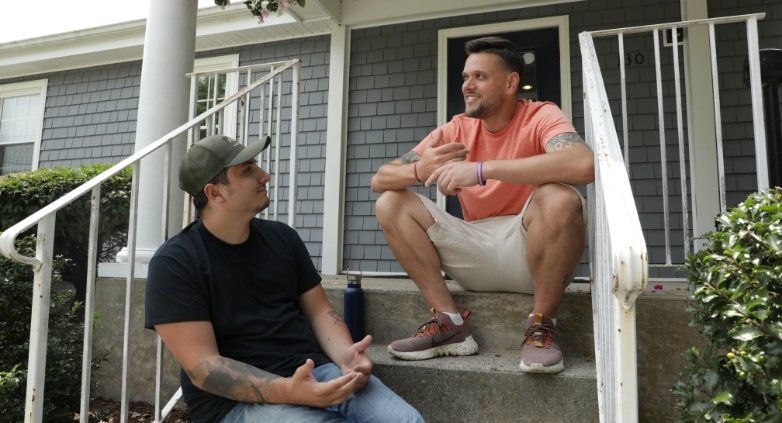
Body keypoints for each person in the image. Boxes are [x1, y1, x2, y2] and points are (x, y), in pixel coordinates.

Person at [145, 134, 423, 423]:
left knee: (407, 420)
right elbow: (204, 368)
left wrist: (345, 357)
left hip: (312, 370)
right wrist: (290, 390)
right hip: (234, 404)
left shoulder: (282, 238)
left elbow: (321, 312)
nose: (265, 175)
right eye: (248, 170)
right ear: (215, 193)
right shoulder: (175, 263)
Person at [370, 36, 594, 374]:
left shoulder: (541, 115)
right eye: (464, 77)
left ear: (510, 83)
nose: (467, 86)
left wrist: (481, 170)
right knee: (391, 202)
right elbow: (380, 179)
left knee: (561, 197)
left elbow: (582, 164)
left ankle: (541, 327)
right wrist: (418, 169)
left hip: (529, 250)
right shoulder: (457, 128)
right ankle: (450, 324)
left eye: (479, 77)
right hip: (473, 249)